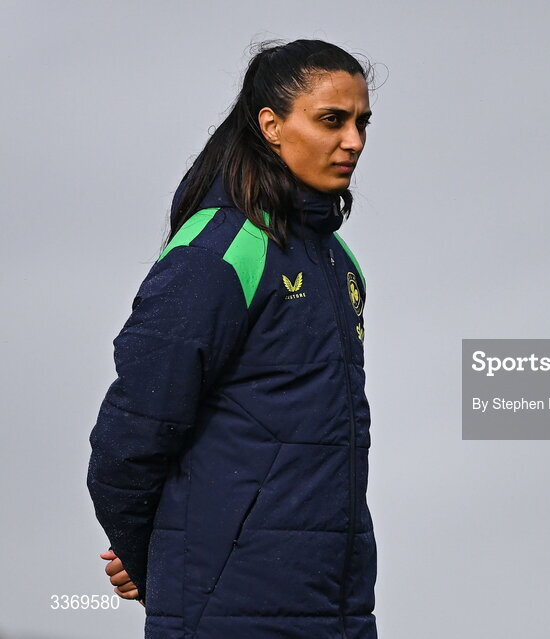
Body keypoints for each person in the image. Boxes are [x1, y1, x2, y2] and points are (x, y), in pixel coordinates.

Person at [86, 39, 378, 639]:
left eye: (361, 122)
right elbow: (128, 437)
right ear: (270, 124)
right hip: (226, 611)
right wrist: (154, 565)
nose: (353, 141)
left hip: (337, 609)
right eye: (332, 120)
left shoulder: (338, 262)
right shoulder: (221, 250)